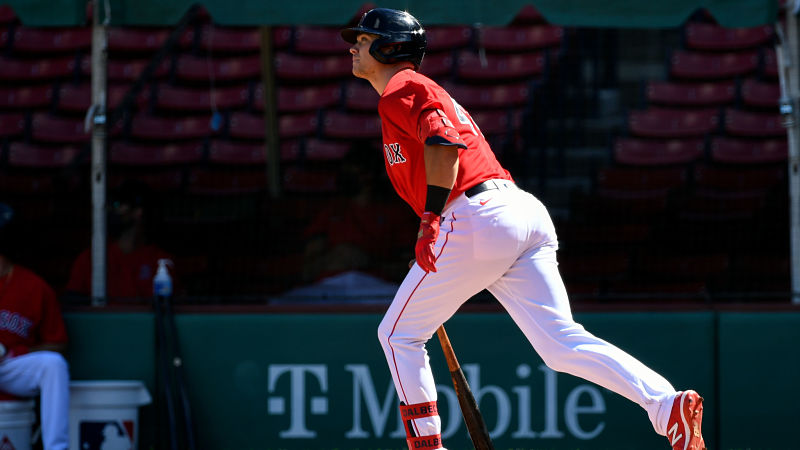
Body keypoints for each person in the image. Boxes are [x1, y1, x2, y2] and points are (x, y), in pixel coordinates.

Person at [341, 8, 705, 450]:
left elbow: (443, 144)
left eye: (362, 39)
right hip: (516, 210)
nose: (353, 46)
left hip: (474, 214)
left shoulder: (402, 85)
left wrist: (431, 219)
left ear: (388, 47)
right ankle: (667, 406)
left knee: (397, 334)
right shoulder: (410, 89)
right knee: (561, 345)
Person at [0, 203, 70, 450]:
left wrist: (19, 352)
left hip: (10, 366)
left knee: (54, 365)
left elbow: (59, 344)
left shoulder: (34, 286)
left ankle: (56, 447)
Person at [65, 179, 175, 302]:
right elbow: (74, 307)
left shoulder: (161, 262)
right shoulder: (91, 259)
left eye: (118, 204)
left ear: (138, 212)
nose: (113, 210)